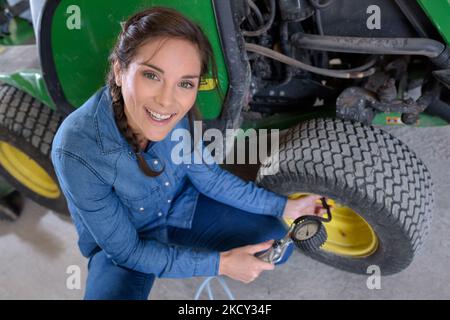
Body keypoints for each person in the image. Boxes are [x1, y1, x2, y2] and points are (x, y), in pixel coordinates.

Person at [51, 7, 325, 300]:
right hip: (127, 238)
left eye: (185, 83)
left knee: (272, 245)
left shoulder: (175, 115)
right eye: (151, 76)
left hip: (180, 208)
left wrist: (285, 208)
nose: (167, 100)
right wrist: (221, 264)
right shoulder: (76, 149)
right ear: (119, 71)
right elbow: (128, 251)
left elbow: (211, 179)